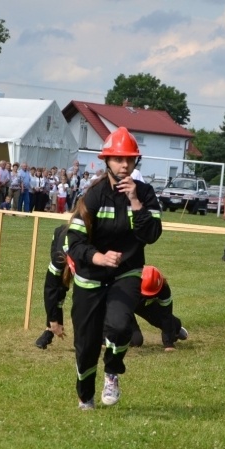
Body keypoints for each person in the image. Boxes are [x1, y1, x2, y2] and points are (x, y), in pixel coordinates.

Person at [66, 127, 162, 410]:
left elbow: (152, 235)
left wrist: (135, 202)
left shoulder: (144, 193)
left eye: (129, 159)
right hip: (91, 277)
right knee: (85, 344)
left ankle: (112, 372)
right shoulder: (93, 194)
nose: (124, 165)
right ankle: (86, 397)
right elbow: (74, 240)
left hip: (127, 272)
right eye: (118, 159)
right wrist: (97, 257)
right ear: (106, 161)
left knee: (120, 326)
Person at [129, 265, 189, 352]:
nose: (149, 295)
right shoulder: (128, 285)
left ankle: (176, 327)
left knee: (171, 322)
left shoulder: (163, 288)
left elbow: (166, 315)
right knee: (136, 341)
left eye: (151, 293)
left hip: (143, 304)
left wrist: (168, 344)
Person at [35, 224, 70, 350]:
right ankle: (49, 330)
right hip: (62, 255)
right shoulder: (59, 257)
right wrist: (54, 321)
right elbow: (51, 289)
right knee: (59, 289)